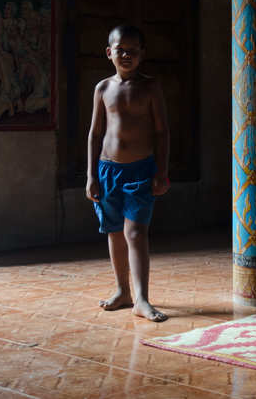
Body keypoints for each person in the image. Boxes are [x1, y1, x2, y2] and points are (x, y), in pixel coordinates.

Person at [86, 25, 170, 322]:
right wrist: (91, 175)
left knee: (135, 232)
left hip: (140, 170)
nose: (126, 55)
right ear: (109, 52)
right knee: (114, 232)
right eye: (120, 49)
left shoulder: (150, 88)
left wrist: (162, 171)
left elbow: (161, 132)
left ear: (141, 55)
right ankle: (123, 291)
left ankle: (142, 299)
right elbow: (95, 134)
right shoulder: (103, 88)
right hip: (107, 171)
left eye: (133, 51)